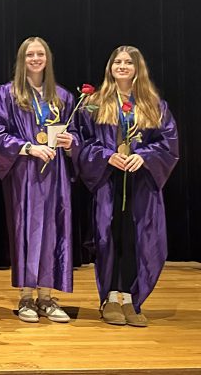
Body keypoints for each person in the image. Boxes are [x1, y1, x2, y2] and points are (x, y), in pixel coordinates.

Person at [75, 46, 178, 327]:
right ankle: (109, 298)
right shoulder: (94, 103)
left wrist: (143, 157)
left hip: (141, 182)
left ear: (137, 68)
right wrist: (108, 156)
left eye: (128, 62)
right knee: (110, 237)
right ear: (110, 67)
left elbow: (168, 144)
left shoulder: (153, 104)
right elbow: (81, 141)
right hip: (108, 180)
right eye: (117, 61)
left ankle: (132, 299)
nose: (122, 66)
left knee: (137, 238)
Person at [0, 37, 75, 323]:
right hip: (24, 172)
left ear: (47, 59)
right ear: (21, 60)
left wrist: (69, 141)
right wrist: (28, 147)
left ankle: (47, 297)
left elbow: (78, 137)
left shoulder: (62, 97)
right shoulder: (7, 94)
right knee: (25, 229)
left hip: (55, 173)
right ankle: (26, 296)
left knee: (53, 229)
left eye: (40, 54)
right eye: (30, 55)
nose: (35, 59)